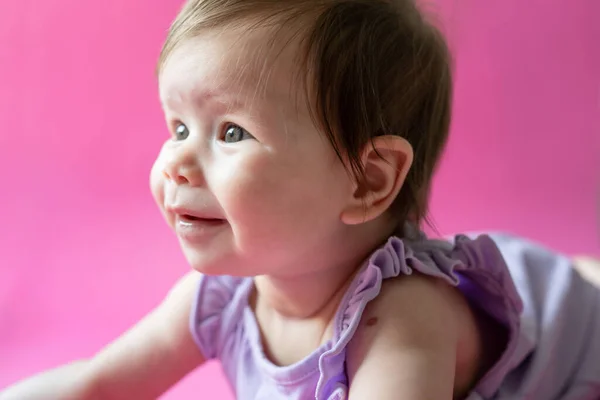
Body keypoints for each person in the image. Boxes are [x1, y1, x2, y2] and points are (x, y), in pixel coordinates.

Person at [2, 0, 600, 399]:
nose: (176, 162)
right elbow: (94, 386)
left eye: (231, 132)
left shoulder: (402, 323)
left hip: (574, 341)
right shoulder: (222, 299)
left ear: (366, 181)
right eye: (178, 127)